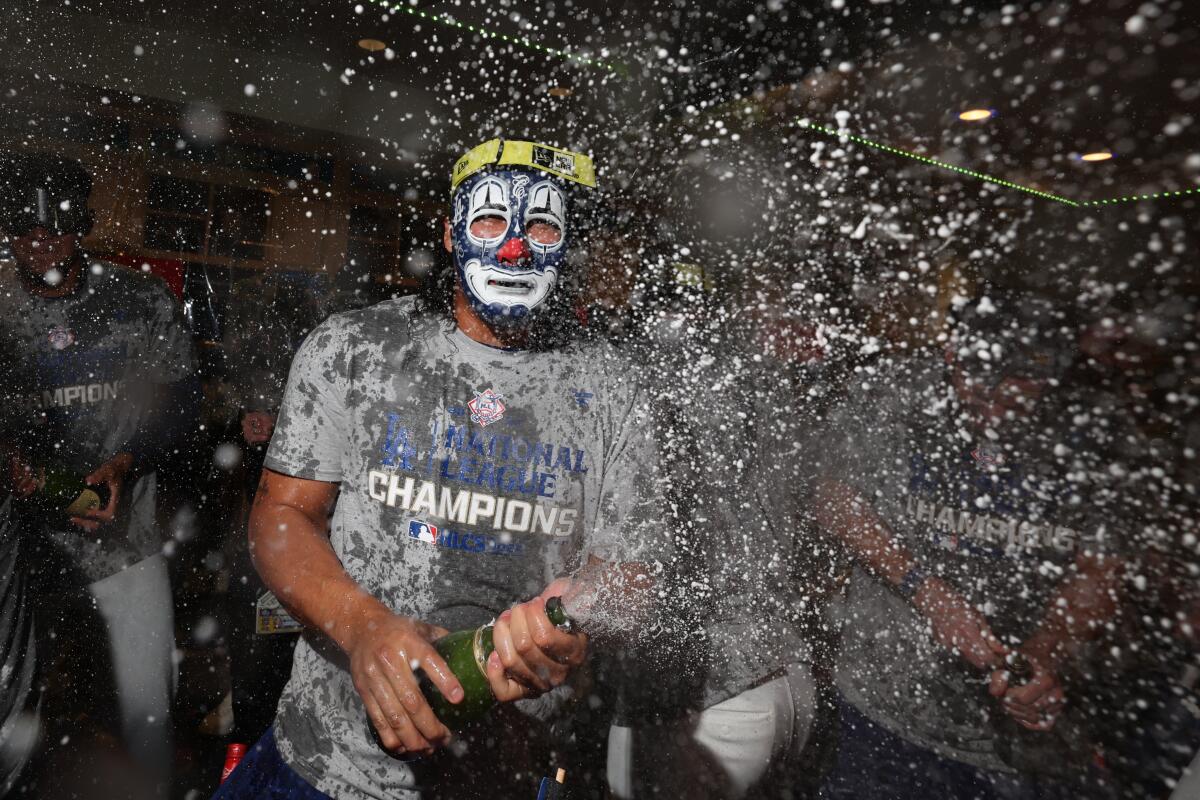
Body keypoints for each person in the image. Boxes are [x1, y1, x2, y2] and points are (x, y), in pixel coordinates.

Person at [215, 137, 667, 799]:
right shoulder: (355, 349)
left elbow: (634, 569)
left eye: (541, 223)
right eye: (489, 219)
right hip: (324, 766)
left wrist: (574, 618)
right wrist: (362, 626)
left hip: (502, 776)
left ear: (567, 243)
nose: (514, 248)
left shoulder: (614, 389)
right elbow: (282, 514)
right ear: (451, 234)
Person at [814, 291, 1128, 799]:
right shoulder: (896, 390)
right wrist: (930, 595)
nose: (993, 403)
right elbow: (833, 499)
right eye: (979, 383)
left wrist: (1045, 652)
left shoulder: (1095, 429)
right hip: (887, 704)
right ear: (952, 354)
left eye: (1015, 390)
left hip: (1021, 748)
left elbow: (1101, 572)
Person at [605, 145, 832, 799]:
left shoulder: (653, 364)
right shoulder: (761, 365)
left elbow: (660, 539)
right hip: (783, 672)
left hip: (705, 695)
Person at [0, 151, 198, 787]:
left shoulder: (136, 299)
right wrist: (11, 464)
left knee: (147, 712)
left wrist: (126, 459)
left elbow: (181, 403)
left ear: (78, 227)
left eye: (52, 232)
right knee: (15, 714)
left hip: (121, 541)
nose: (39, 247)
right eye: (24, 235)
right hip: (18, 550)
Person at [220, 274, 325, 745]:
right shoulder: (255, 367)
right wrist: (244, 426)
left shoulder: (322, 376)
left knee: (288, 669)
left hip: (303, 545)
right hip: (256, 546)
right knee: (258, 674)